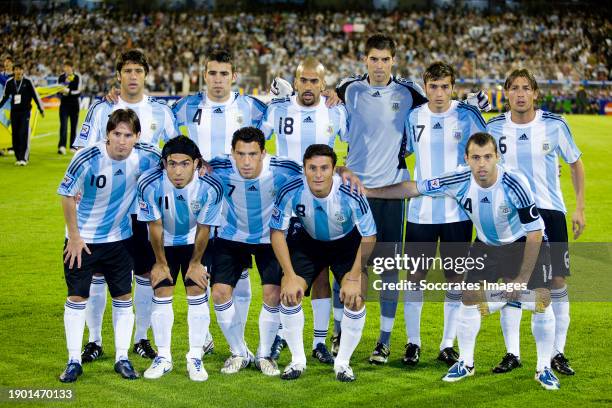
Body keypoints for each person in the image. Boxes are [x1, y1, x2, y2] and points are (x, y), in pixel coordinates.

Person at [367, 132, 561, 390]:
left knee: (542, 300)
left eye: (488, 157)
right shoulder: (458, 179)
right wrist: (368, 190)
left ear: (497, 157)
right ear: (467, 159)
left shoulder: (514, 183)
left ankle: (543, 368)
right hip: (486, 245)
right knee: (469, 297)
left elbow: (535, 232)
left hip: (523, 241)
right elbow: (414, 188)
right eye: (476, 157)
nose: (482, 164)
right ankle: (466, 363)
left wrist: (522, 279)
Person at [75, 50, 177, 364]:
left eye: (138, 70)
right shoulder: (102, 108)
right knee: (98, 276)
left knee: (145, 273)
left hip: (144, 209)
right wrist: (78, 188)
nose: (132, 76)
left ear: (146, 75)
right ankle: (94, 340)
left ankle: (142, 338)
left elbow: (173, 152)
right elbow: (82, 149)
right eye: (127, 70)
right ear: (119, 74)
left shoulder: (161, 111)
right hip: (103, 209)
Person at [335, 33, 428, 364]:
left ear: (394, 60)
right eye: (373, 58)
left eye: (384, 59)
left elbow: (441, 105)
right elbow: (321, 102)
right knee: (348, 266)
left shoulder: (409, 93)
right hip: (354, 192)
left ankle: (384, 341)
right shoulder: (348, 90)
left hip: (391, 190)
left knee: (388, 269)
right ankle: (339, 333)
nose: (378, 65)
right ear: (364, 60)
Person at [486, 69, 585, 376]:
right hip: (511, 215)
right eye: (513, 88)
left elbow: (575, 163)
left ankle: (558, 353)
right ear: (506, 93)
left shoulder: (554, 124)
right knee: (511, 281)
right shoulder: (494, 127)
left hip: (551, 211)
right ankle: (512, 352)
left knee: (556, 281)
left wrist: (579, 208)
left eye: (525, 88)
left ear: (534, 93)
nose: (519, 93)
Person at [173, 49, 268, 353]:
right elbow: (162, 131)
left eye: (223, 74)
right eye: (212, 73)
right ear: (204, 75)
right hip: (197, 199)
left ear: (234, 76)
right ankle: (203, 336)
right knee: (197, 266)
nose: (217, 80)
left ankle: (235, 343)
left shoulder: (252, 107)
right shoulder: (186, 107)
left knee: (236, 272)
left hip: (237, 202)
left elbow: (285, 113)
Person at [57, 109, 160, 383]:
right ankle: (73, 360)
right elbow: (67, 195)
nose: (122, 141)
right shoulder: (87, 158)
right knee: (77, 297)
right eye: (116, 134)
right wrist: (75, 237)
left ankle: (122, 358)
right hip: (83, 241)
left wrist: (201, 165)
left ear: (137, 137)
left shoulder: (147, 157)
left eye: (128, 135)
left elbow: (175, 161)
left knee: (123, 298)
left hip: (119, 240)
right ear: (107, 134)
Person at [260, 57, 348, 363]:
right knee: (290, 273)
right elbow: (256, 140)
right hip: (285, 205)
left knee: (321, 275)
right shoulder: (278, 109)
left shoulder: (336, 112)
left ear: (323, 85)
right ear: (295, 82)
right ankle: (284, 336)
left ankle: (319, 343)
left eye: (315, 81)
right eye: (303, 80)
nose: (308, 86)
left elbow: (354, 145)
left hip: (323, 206)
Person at [400, 61, 486, 367]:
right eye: (433, 87)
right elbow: (403, 151)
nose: (439, 93)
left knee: (455, 278)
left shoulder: (467, 115)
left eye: (445, 86)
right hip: (421, 212)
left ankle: (447, 344)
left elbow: (486, 153)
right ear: (425, 88)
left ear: (453, 87)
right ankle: (413, 342)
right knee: (414, 278)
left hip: (458, 212)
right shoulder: (413, 117)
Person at [270, 144, 376, 382]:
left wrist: (353, 277)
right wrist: (288, 274)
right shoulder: (291, 190)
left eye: (324, 168)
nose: (318, 174)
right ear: (304, 169)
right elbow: (276, 231)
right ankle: (297, 360)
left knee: (356, 297)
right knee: (289, 292)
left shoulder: (350, 192)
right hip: (309, 242)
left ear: (333, 170)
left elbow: (369, 236)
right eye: (312, 168)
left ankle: (343, 363)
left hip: (346, 243)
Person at [137, 136, 222, 381]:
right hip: (163, 242)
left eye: (184, 164)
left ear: (196, 163)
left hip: (196, 241)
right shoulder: (149, 184)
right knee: (161, 290)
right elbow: (154, 226)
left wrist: (196, 263)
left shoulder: (211, 186)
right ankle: (163, 357)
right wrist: (160, 263)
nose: (177, 170)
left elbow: (205, 228)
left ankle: (195, 356)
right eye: (172, 164)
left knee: (196, 290)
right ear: (164, 164)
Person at [0, 60, 44, 166]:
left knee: (23, 133)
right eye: (16, 69)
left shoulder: (27, 82)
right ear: (14, 71)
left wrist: (41, 108)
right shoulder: (9, 83)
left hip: (25, 112)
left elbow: (35, 95)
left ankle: (24, 158)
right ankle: (18, 157)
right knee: (15, 135)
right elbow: (5, 97)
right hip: (14, 112)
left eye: (20, 69)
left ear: (23, 71)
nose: (18, 71)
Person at [57, 60, 81, 154]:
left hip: (74, 105)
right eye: (65, 67)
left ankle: (72, 146)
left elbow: (79, 91)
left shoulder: (77, 77)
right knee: (63, 125)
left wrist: (69, 92)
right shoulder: (61, 77)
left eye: (69, 67)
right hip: (64, 104)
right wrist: (62, 89)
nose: (67, 69)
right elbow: (58, 90)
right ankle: (62, 146)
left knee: (73, 126)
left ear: (72, 67)